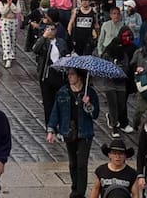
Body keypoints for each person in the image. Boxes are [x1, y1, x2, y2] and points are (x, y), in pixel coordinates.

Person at [46, 68, 99, 198]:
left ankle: (80, 192)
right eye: (68, 74)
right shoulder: (63, 91)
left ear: (79, 77)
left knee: (82, 164)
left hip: (84, 133)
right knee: (73, 163)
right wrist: (51, 130)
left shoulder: (89, 92)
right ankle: (75, 188)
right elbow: (55, 111)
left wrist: (88, 104)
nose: (69, 77)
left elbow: (95, 114)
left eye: (72, 74)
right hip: (69, 131)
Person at [32, 24, 67, 125]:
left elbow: (65, 54)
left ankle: (60, 124)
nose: (51, 31)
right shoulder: (44, 42)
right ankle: (50, 125)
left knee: (60, 101)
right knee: (48, 102)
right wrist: (44, 37)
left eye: (53, 29)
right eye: (48, 29)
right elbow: (35, 49)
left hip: (59, 74)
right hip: (46, 74)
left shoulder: (61, 42)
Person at [0, 0, 22, 69]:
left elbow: (17, 11)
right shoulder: (1, 2)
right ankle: (7, 58)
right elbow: (3, 11)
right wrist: (7, 4)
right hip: (5, 21)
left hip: (14, 22)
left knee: (13, 40)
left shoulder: (16, 1)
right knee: (6, 39)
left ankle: (12, 55)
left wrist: (11, 4)